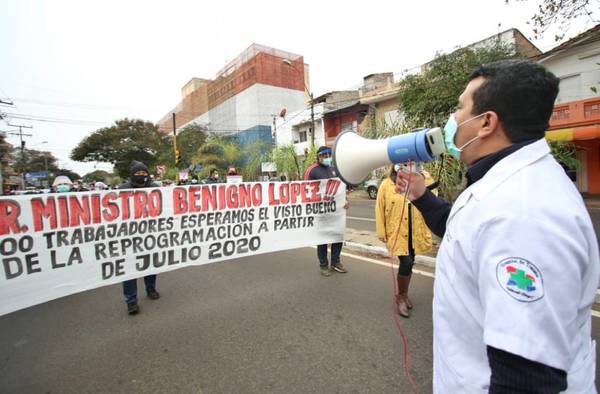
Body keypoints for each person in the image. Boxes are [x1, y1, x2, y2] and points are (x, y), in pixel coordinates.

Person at [395, 60, 599, 393]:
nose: (453, 119)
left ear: (486, 122)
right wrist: (421, 196)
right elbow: (465, 232)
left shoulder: (523, 215)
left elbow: (527, 378)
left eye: (460, 108)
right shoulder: (503, 182)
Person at [376, 164, 433, 318]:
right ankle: (401, 297)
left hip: (415, 230)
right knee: (406, 262)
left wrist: (425, 179)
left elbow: (433, 197)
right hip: (397, 231)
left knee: (410, 261)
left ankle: (404, 293)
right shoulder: (387, 184)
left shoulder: (421, 179)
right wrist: (381, 231)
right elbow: (380, 207)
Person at [119, 160, 161, 315]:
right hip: (129, 236)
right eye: (138, 173)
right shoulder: (123, 189)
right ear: (132, 175)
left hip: (151, 233)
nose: (141, 175)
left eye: (144, 173)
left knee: (151, 264)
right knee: (130, 269)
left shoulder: (155, 188)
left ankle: (151, 289)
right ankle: (131, 301)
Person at [304, 146, 349, 276]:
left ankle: (335, 262)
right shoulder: (312, 171)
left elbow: (341, 187)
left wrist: (345, 200)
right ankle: (323, 264)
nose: (327, 157)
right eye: (324, 155)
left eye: (329, 154)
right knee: (322, 239)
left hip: (336, 212)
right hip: (320, 212)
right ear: (318, 157)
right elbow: (305, 190)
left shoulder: (334, 169)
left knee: (337, 236)